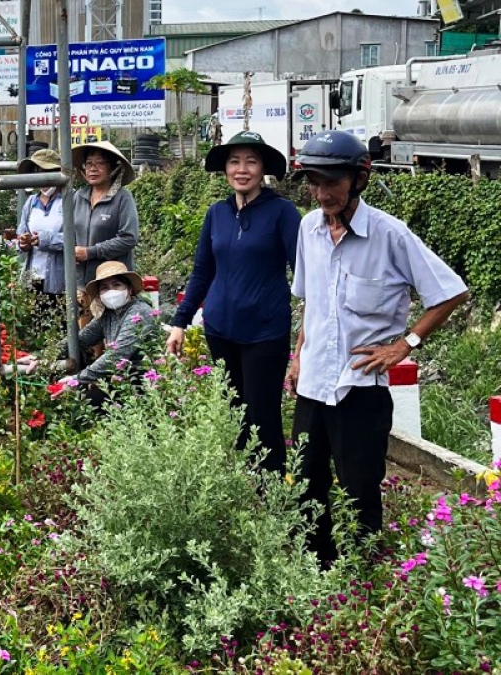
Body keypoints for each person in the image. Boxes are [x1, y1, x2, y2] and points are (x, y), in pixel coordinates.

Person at [287, 130, 468, 565]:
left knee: (359, 489)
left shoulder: (390, 235)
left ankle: (359, 575)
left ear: (357, 179)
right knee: (306, 483)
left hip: (360, 389)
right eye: (314, 181)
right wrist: (296, 359)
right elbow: (313, 303)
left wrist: (404, 345)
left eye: (332, 181)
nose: (321, 192)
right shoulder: (308, 228)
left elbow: (450, 293)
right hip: (313, 384)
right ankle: (312, 571)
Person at [166, 130, 301, 474]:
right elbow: (201, 272)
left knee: (262, 415)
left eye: (251, 161)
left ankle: (271, 492)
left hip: (265, 331)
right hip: (220, 329)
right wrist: (180, 322)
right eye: (234, 161)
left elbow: (304, 274)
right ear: (225, 169)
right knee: (234, 411)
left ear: (263, 169)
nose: (242, 169)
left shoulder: (282, 213)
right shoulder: (217, 214)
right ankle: (242, 485)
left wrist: (306, 338)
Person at [55, 261, 159, 408]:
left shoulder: (139, 312)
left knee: (88, 405)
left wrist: (77, 379)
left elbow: (116, 355)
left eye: (116, 285)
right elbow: (80, 339)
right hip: (121, 380)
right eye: (104, 288)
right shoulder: (108, 315)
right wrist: (44, 357)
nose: (111, 292)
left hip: (143, 381)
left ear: (129, 289)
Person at [70, 141, 140, 284]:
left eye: (100, 163)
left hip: (111, 282)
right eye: (88, 164)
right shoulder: (79, 196)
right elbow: (70, 233)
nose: (92, 169)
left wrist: (90, 252)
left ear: (113, 168)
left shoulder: (122, 198)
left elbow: (129, 238)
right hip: (80, 282)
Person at [15, 148, 67, 329]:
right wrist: (23, 242)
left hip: (59, 278)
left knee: (58, 325)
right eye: (38, 172)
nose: (42, 178)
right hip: (34, 276)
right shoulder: (31, 202)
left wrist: (45, 240)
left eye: (47, 172)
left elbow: (75, 239)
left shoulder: (70, 200)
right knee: (36, 327)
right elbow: (20, 231)